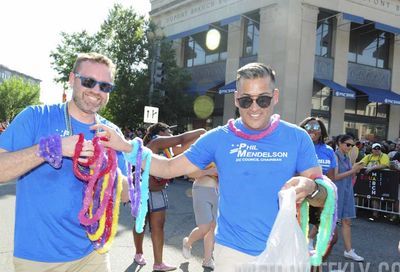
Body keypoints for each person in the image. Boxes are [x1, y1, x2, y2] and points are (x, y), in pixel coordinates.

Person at [96, 62, 328, 271]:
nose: (254, 107)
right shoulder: (219, 138)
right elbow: (168, 168)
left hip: (282, 249)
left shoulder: (297, 138)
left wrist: (311, 187)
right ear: (236, 99)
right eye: (246, 100)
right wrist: (128, 148)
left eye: (263, 99)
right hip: (232, 254)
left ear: (275, 96)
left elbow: (323, 195)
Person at [0, 52, 128, 272]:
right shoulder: (35, 117)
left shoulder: (111, 133)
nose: (96, 91)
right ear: (71, 79)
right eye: (88, 82)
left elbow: (125, 195)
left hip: (93, 255)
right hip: (38, 260)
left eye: (105, 86)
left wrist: (106, 169)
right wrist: (52, 148)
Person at [132, 122, 205, 272]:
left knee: (158, 227)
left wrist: (204, 140)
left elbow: (185, 149)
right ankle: (138, 252)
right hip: (143, 191)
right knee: (141, 224)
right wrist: (203, 130)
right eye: (168, 131)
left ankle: (158, 263)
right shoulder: (156, 143)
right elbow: (182, 138)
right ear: (160, 133)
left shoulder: (168, 149)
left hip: (158, 192)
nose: (171, 134)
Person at [299, 117, 337, 268]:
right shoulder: (298, 146)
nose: (312, 130)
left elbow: (332, 178)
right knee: (297, 236)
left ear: (321, 132)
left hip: (322, 199)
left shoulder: (328, 151)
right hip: (301, 199)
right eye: (308, 127)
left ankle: (315, 264)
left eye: (316, 128)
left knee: (331, 237)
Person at [334, 134, 364, 262]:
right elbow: (335, 177)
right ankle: (310, 240)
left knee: (347, 221)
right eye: (348, 144)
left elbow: (348, 175)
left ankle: (349, 251)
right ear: (339, 143)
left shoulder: (346, 156)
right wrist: (353, 171)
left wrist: (355, 171)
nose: (350, 147)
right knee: (328, 221)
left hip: (346, 191)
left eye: (352, 145)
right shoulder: (334, 156)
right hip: (336, 192)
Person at [182, 163, 218, 270]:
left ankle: (207, 260)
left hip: (219, 191)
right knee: (204, 228)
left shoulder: (228, 151)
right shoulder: (205, 150)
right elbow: (190, 173)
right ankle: (188, 243)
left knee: (213, 227)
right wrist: (209, 172)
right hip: (201, 189)